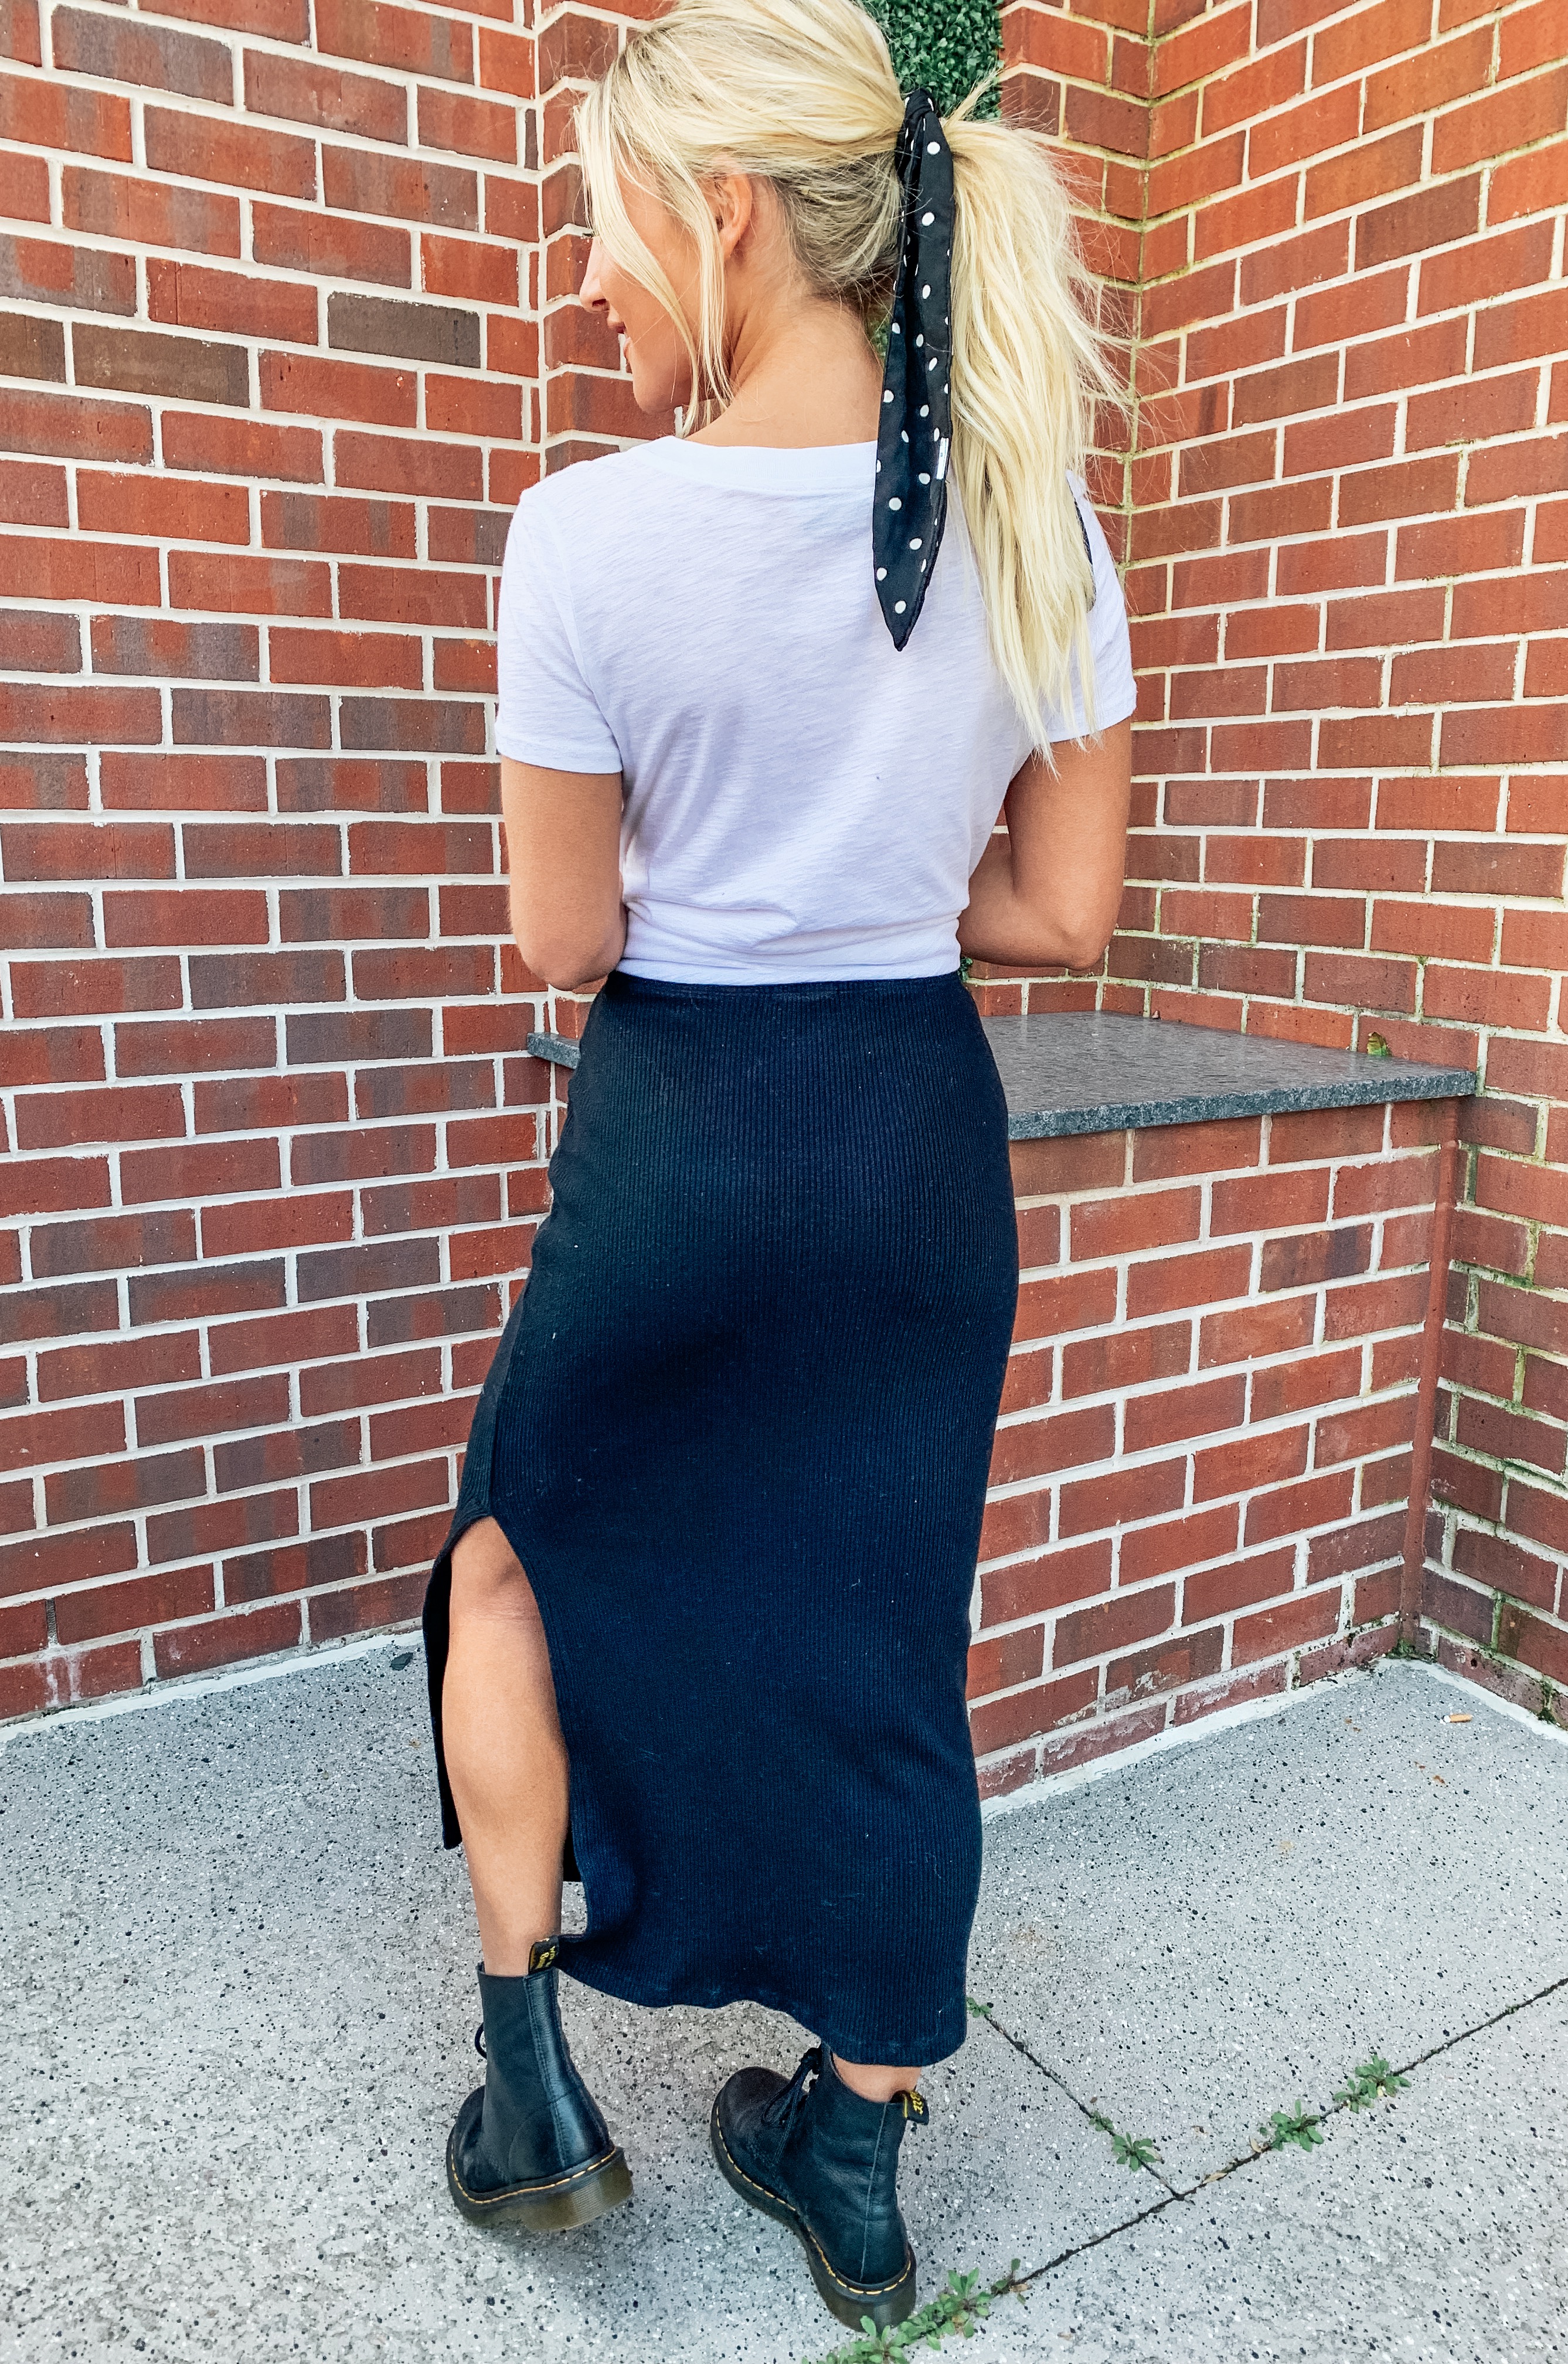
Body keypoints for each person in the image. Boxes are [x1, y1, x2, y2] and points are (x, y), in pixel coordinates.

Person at [418, 0, 1135, 2331]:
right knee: (883, 1632)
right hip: (910, 1140)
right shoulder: (1033, 521)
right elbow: (1064, 917)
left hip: (685, 1135)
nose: (588, 279)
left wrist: (737, 877)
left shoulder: (584, 535)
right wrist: (874, 875)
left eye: (609, 225)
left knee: (516, 1562)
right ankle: (854, 2157)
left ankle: (535, 2092)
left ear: (725, 212)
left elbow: (562, 938)